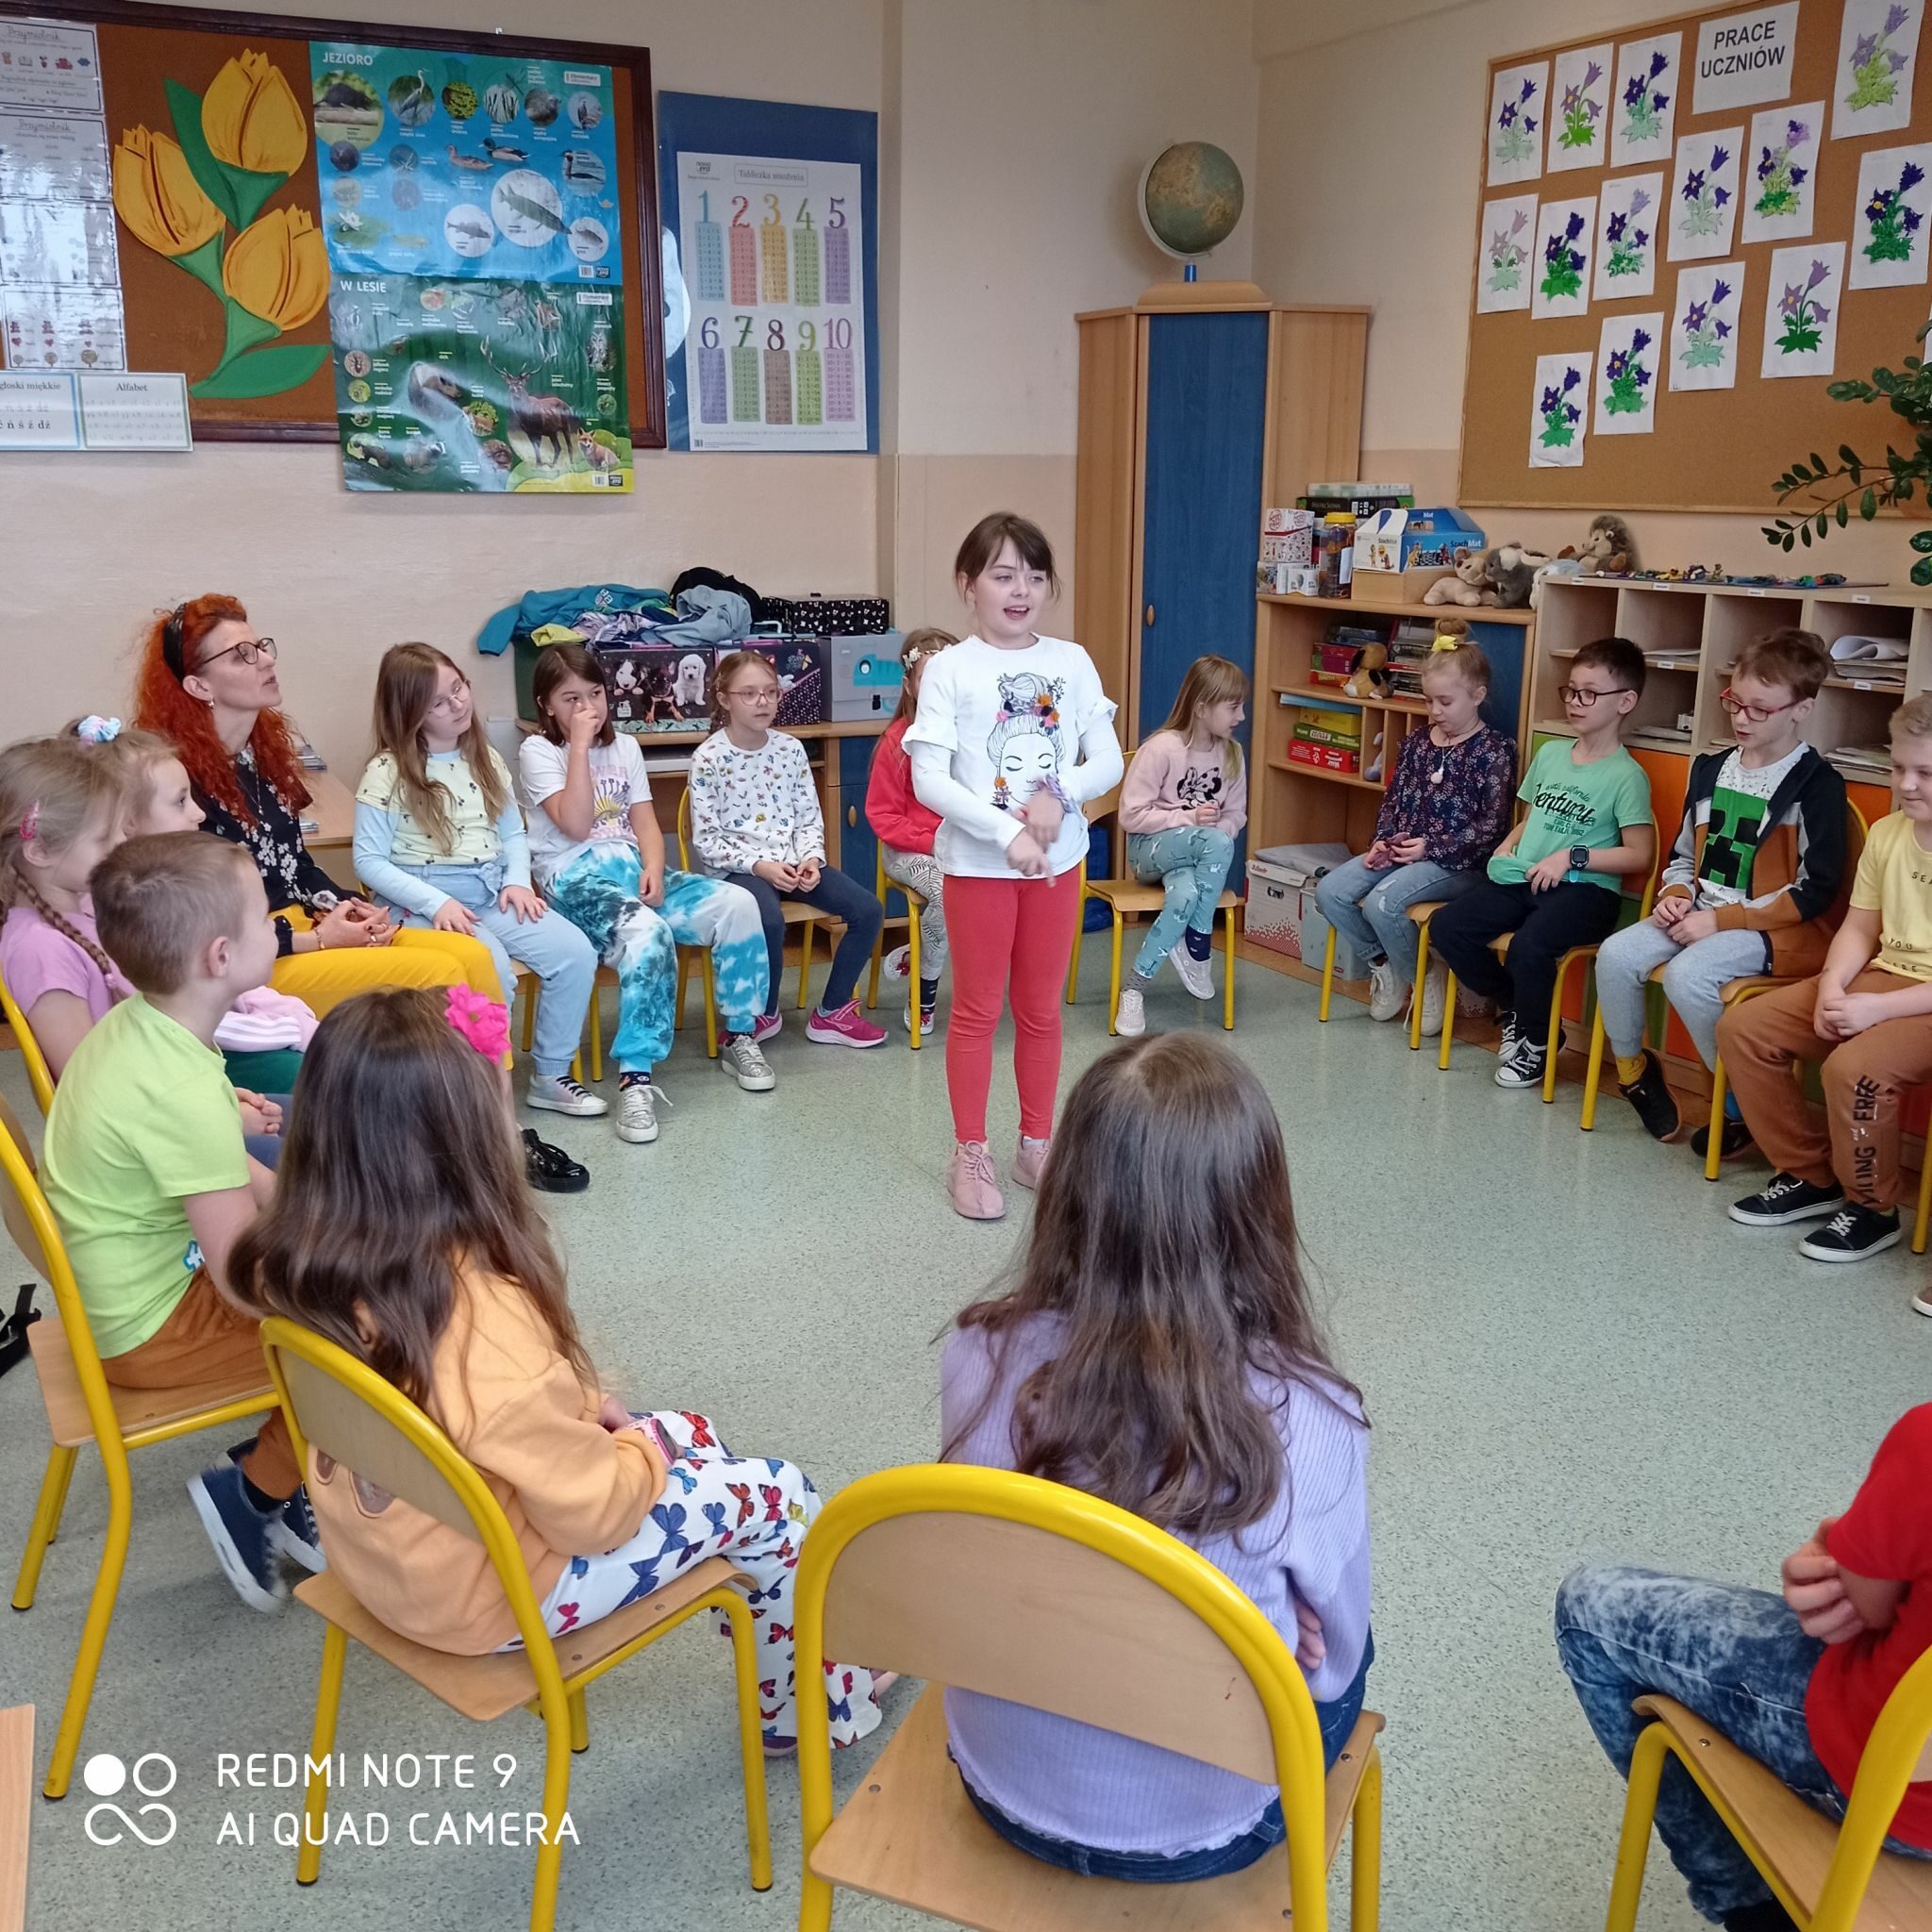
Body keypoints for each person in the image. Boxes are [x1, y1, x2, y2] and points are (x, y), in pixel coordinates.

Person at [225, 987, 887, 1752]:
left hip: (385, 1564)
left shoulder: (304, 1271)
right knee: (781, 1497)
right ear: (470, 1144)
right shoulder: (485, 1320)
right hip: (493, 1600)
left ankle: (777, 1634)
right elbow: (595, 1515)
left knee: (694, 1442)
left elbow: (481, 1414)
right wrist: (640, 1448)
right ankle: (815, 1714)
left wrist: (590, 1416)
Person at [941, 1033, 1371, 1880]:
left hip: (998, 1775)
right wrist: (1272, 1630)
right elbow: (1335, 1667)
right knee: (1342, 1660)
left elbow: (989, 1552)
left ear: (1066, 1191)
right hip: (1205, 1822)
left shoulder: (975, 1353)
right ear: (1259, 1209)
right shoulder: (1315, 1413)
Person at [40, 832, 324, 1610]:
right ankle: (253, 1494)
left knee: (349, 1289)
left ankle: (293, 1462)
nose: (276, 926)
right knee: (375, 1332)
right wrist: (344, 1275)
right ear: (221, 956)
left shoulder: (142, 1027)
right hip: (153, 1330)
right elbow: (239, 1280)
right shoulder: (183, 1090)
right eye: (265, 917)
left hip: (124, 1294)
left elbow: (226, 1170)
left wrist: (306, 1213)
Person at [1556, 1403, 1932, 1932]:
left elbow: (1867, 1607)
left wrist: (1840, 1555)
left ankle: (1746, 1902)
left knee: (1586, 1609)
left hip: (1891, 1791)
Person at [130, 594, 500, 1015]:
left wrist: (346, 907)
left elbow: (296, 865)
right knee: (442, 973)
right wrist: (320, 939)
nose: (266, 661)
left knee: (473, 955)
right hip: (253, 963)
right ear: (199, 686)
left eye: (260, 647)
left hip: (305, 924)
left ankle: (486, 1065)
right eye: (240, 656)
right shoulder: (179, 786)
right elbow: (198, 926)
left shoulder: (257, 756)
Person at [906, 512, 1124, 1219]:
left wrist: (1058, 795)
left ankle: (1036, 1143)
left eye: (1034, 576)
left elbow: (1108, 760)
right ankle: (970, 1151)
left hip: (1058, 867)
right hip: (979, 867)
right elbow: (928, 780)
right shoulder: (950, 668)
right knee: (976, 1010)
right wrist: (1007, 832)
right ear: (968, 584)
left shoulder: (1072, 660)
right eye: (1003, 576)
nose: (1021, 590)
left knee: (1040, 1009)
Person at [1599, 629, 1848, 1160]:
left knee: (1690, 975)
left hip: (1774, 927)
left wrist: (1721, 921)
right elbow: (1684, 855)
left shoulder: (1817, 785)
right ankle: (1634, 1073)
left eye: (1760, 709)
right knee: (1616, 955)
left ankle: (1741, 1104)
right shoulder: (1711, 769)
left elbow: (1816, 891)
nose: (1741, 718)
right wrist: (1675, 892)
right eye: (1735, 701)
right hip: (1700, 912)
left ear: (1801, 710)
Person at [520, 642, 776, 1149]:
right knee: (648, 934)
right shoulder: (538, 752)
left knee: (738, 904)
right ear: (546, 705)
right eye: (571, 699)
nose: (588, 707)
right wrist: (578, 747)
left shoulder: (626, 747)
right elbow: (575, 825)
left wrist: (655, 868)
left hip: (630, 868)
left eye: (595, 694)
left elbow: (645, 823)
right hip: (574, 880)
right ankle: (635, 1076)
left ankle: (740, 1033)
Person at [1719, 693, 1932, 1268]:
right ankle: (1811, 1175)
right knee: (1745, 1027)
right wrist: (1834, 985)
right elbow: (1860, 927)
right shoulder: (1888, 833)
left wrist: (1875, 1011)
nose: (1907, 784)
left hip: (1922, 1000)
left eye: (1926, 773)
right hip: (1881, 976)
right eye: (1899, 768)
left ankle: (1873, 1208)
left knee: (1853, 1070)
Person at [356, 642, 606, 1126]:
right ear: (410, 713)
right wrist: (437, 903)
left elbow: (512, 834)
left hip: (491, 892)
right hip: (423, 903)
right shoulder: (386, 771)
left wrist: (518, 882)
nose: (458, 704)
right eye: (439, 702)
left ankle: (551, 1076)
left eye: (459, 688)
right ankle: (486, 1094)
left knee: (575, 953)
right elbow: (368, 861)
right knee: (492, 973)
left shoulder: (484, 756)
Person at [1427, 637, 1656, 1090]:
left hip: (1587, 892)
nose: (1575, 702)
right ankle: (1517, 1006)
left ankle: (1536, 1043)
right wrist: (1507, 844)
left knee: (1529, 947)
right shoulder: (1551, 754)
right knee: (1448, 927)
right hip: (1527, 877)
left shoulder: (1627, 776)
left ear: (1625, 702)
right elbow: (1532, 819)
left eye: (1589, 693)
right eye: (1571, 691)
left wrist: (1572, 857)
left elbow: (1640, 854)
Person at [1312, 631, 1515, 1038]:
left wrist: (1430, 847)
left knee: (1383, 903)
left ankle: (1423, 979)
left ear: (1477, 696)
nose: (1435, 711)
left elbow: (1491, 827)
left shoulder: (1495, 750)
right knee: (1330, 891)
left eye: (1445, 702)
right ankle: (1387, 965)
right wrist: (1383, 842)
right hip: (1404, 852)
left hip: (1459, 863)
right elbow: (1392, 802)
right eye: (1428, 701)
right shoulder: (1418, 743)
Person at [690, 650, 886, 1048]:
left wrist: (811, 858)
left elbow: (808, 818)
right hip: (740, 870)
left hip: (793, 862)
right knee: (767, 918)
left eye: (771, 692)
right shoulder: (708, 757)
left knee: (868, 910)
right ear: (725, 699)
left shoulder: (791, 750)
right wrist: (760, 866)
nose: (762, 702)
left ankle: (832, 1013)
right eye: (749, 693)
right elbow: (708, 842)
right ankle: (764, 1010)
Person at [1113, 655, 1251, 1039]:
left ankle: (1133, 989)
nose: (1241, 716)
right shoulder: (1162, 749)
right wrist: (1189, 819)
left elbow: (1236, 815)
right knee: (1215, 840)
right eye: (1233, 706)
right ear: (1202, 708)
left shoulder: (1232, 754)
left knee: (1186, 894)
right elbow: (1131, 816)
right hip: (1148, 852)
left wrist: (1214, 831)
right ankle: (1198, 942)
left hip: (1198, 856)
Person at [865, 626, 959, 1037]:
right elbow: (884, 817)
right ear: (909, 685)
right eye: (928, 678)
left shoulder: (971, 737)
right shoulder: (896, 743)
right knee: (947, 890)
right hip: (908, 850)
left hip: (959, 845)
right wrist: (932, 842)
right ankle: (923, 990)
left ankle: (918, 952)